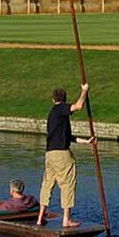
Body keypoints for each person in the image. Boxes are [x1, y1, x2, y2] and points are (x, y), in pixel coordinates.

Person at [36, 84, 96, 228]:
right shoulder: (60, 109)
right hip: (61, 154)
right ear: (63, 99)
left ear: (52, 99)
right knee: (68, 184)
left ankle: (39, 218)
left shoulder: (53, 115)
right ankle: (66, 220)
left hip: (50, 154)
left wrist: (87, 141)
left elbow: (69, 137)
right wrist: (84, 91)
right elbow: (79, 106)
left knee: (47, 183)